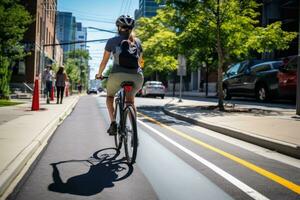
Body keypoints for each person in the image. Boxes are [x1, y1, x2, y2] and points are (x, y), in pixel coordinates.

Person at [96, 15, 144, 136]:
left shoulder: (112, 41)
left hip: (117, 75)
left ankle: (113, 123)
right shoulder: (137, 42)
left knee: (110, 97)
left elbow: (104, 62)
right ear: (131, 28)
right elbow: (141, 62)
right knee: (131, 101)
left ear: (118, 27)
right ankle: (134, 130)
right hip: (137, 76)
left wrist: (99, 74)